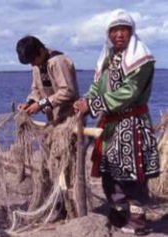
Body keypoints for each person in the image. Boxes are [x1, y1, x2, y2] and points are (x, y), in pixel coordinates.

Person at [73, 9, 160, 235]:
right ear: (108, 34)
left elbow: (128, 92)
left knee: (132, 176)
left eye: (123, 29)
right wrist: (86, 100)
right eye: (113, 30)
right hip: (110, 126)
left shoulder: (141, 59)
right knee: (111, 175)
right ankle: (119, 218)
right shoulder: (109, 58)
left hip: (132, 124)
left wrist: (93, 106)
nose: (118, 34)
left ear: (131, 31)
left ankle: (138, 223)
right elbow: (98, 86)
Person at [15, 35, 80, 217]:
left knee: (67, 167)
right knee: (53, 167)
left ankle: (72, 209)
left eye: (33, 60)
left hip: (69, 122)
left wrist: (42, 104)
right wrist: (29, 103)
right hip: (53, 123)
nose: (32, 65)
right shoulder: (37, 66)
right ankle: (59, 206)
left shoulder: (58, 61)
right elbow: (36, 89)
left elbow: (68, 91)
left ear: (41, 50)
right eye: (29, 63)